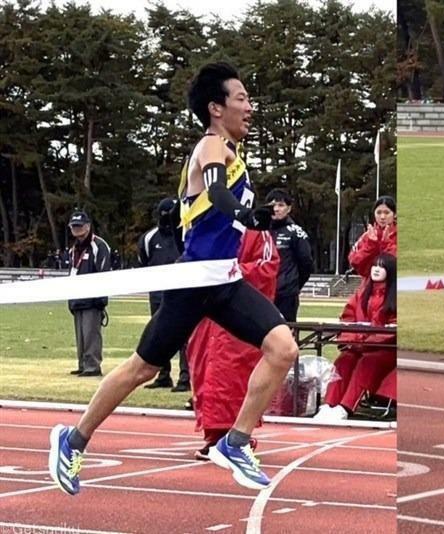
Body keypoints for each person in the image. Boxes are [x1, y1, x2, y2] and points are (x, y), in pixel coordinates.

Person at [49, 62, 299, 495]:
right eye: (241, 99)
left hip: (224, 281)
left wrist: (250, 220)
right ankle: (72, 440)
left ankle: (235, 442)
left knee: (283, 349)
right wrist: (247, 214)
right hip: (192, 281)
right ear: (216, 108)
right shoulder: (210, 147)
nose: (250, 107)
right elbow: (218, 194)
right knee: (143, 368)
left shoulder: (234, 153)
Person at [187, 227, 280, 459]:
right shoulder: (207, 227)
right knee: (204, 371)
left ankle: (236, 435)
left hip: (237, 308)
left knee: (232, 372)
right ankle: (213, 434)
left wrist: (230, 272)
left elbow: (267, 266)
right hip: (206, 311)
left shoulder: (258, 232)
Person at [315, 254, 397, 421]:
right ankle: (328, 404)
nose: (376, 269)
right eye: (374, 265)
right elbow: (347, 318)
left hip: (386, 350)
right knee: (344, 360)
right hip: (359, 345)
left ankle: (346, 407)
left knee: (367, 363)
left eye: (381, 266)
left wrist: (366, 341)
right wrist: (354, 340)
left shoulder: (396, 296)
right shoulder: (361, 294)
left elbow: (393, 328)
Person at [138, 197, 190, 392]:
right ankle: (163, 374)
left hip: (183, 294)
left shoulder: (186, 235)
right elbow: (144, 261)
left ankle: (185, 377)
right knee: (158, 336)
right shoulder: (149, 238)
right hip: (158, 295)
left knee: (185, 336)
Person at [66, 210, 111, 377]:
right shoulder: (73, 249)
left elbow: (104, 271)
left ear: (88, 226)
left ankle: (92, 366)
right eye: (74, 226)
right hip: (76, 297)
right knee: (80, 333)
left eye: (80, 226)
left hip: (93, 299)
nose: (77, 229)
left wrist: (101, 297)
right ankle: (82, 363)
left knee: (91, 332)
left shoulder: (99, 245)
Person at [266, 188, 313, 322]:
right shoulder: (260, 230)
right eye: (272, 205)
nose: (276, 209)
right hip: (262, 291)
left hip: (286, 295)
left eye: (281, 205)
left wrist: (293, 285)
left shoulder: (296, 232)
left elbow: (306, 263)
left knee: (286, 333)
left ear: (289, 208)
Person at [348, 195, 397, 280]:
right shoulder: (368, 236)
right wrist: (371, 245)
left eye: (386, 212)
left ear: (395, 214)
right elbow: (354, 261)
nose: (382, 217)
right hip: (370, 286)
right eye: (379, 212)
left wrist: (387, 245)